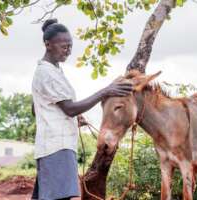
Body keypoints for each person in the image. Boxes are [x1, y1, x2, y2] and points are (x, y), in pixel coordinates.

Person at [31, 18, 133, 200]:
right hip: (57, 148)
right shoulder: (46, 73)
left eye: (70, 46)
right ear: (48, 45)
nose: (68, 51)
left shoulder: (54, 71)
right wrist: (105, 91)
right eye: (64, 46)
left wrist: (71, 118)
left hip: (54, 145)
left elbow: (38, 108)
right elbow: (69, 109)